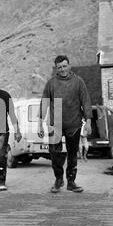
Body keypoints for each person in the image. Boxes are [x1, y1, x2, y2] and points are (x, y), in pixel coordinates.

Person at [38, 55, 92, 193]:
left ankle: (71, 182)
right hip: (55, 124)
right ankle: (58, 180)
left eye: (64, 66)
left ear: (69, 66)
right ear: (56, 68)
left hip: (73, 123)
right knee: (54, 153)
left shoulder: (78, 82)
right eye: (59, 67)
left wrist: (88, 122)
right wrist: (40, 124)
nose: (62, 69)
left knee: (73, 154)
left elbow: (86, 101)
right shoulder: (51, 83)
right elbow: (44, 102)